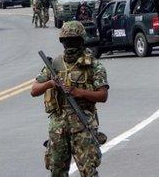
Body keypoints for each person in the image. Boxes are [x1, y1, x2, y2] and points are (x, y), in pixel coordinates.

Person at [31, 21, 109, 177]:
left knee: (88, 171)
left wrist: (79, 92)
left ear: (81, 41)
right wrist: (51, 83)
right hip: (58, 127)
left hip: (82, 125)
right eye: (67, 41)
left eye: (73, 40)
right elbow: (34, 90)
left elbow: (103, 95)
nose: (70, 44)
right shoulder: (54, 64)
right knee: (57, 171)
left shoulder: (93, 65)